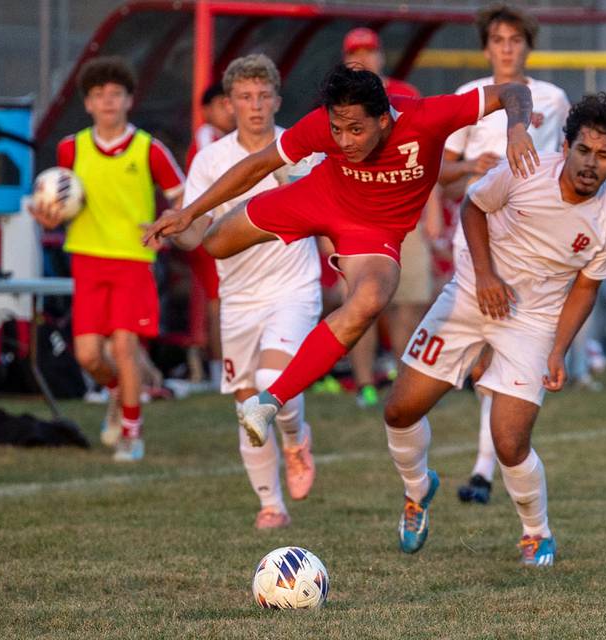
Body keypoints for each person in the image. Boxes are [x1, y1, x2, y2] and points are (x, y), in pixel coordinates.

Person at [143, 62, 539, 450]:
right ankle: (293, 179)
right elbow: (259, 164)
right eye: (337, 130)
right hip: (318, 196)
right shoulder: (322, 124)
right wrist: (189, 212)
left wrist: (517, 128)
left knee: (369, 301)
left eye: (356, 130)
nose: (345, 141)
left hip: (375, 231)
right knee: (214, 243)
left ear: (383, 119)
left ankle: (267, 403)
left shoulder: (426, 115)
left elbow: (513, 91)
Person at [383, 93, 606, 564]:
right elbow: (473, 207)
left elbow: (585, 289)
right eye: (583, 150)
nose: (590, 163)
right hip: (470, 295)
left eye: (604, 155)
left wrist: (558, 349)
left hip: (533, 321)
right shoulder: (525, 170)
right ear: (565, 146)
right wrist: (485, 276)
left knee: (509, 441)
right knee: (400, 411)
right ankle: (417, 490)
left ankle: (536, 533)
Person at [175, 54, 321, 529]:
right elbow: (196, 231)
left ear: (277, 100)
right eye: (244, 97)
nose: (255, 106)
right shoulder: (211, 160)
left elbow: (329, 211)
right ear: (229, 104)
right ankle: (271, 505)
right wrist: (173, 229)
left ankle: (296, 441)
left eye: (263, 96)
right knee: (247, 407)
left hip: (294, 286)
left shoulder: (301, 149)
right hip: (238, 297)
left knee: (271, 382)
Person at [439, 3, 572, 506]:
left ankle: (483, 470)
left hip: (529, 242)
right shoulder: (469, 97)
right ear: (486, 47)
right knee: (479, 355)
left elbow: (569, 165)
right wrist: (474, 165)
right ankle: (474, 467)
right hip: (477, 236)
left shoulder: (552, 98)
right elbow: (442, 173)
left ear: (528, 46)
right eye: (498, 40)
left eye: (516, 39)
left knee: (504, 352)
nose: (507, 48)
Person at [30, 56, 184, 461]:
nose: (108, 101)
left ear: (129, 100)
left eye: (116, 94)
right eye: (99, 95)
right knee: (87, 355)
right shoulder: (71, 148)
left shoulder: (149, 149)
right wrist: (48, 215)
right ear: (87, 103)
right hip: (87, 259)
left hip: (132, 260)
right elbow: (60, 199)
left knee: (124, 347)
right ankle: (116, 391)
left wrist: (167, 227)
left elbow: (182, 197)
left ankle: (132, 432)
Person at [342, 27, 441, 408]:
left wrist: (433, 211)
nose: (364, 58)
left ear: (381, 56)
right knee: (360, 306)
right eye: (356, 53)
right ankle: (365, 384)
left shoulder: (404, 94)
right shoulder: (338, 100)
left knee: (410, 301)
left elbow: (427, 151)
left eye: (370, 51)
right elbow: (326, 164)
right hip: (359, 216)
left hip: (405, 212)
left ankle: (404, 378)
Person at [184, 83, 236, 391]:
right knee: (220, 301)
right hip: (209, 229)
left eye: (231, 103)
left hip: (225, 228)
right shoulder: (208, 138)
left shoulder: (230, 138)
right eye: (221, 104)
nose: (229, 110)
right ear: (206, 110)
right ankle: (220, 371)